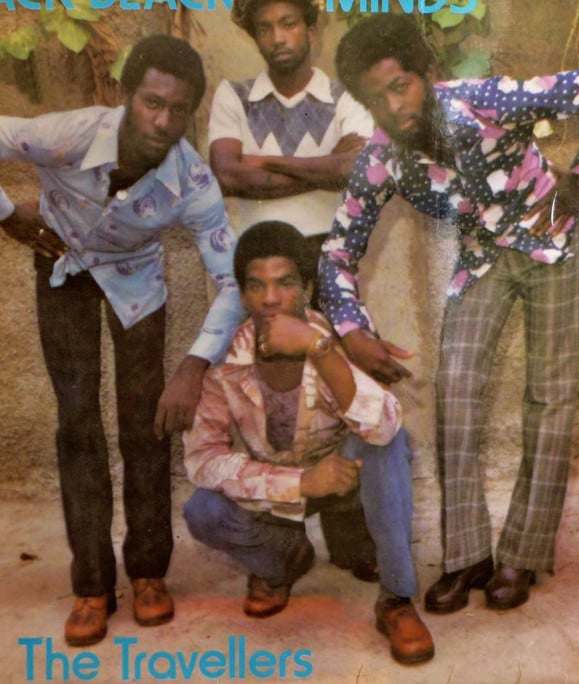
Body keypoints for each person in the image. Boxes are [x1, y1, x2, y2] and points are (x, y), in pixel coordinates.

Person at [320, 14, 579, 613]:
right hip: (481, 261)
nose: (394, 107)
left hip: (553, 241)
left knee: (549, 397)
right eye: (376, 98)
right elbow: (337, 250)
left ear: (427, 74)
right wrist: (352, 329)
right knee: (456, 389)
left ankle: (522, 555)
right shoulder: (381, 159)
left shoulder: (487, 100)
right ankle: (468, 557)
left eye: (401, 86)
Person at [0, 35, 244, 646]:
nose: (162, 121)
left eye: (178, 109)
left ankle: (148, 572)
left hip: (137, 281)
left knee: (146, 425)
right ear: (126, 94)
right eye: (151, 103)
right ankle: (91, 583)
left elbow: (232, 280)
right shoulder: (72, 133)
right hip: (63, 267)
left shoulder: (193, 180)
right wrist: (6, 216)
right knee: (77, 420)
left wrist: (194, 365)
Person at [183, 221, 434, 666]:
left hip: (346, 481)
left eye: (285, 283)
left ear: (307, 289)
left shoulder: (338, 338)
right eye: (256, 286)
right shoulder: (224, 364)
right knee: (202, 509)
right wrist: (300, 483)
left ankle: (396, 599)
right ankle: (282, 561)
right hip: (280, 495)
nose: (271, 299)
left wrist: (319, 349)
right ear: (243, 297)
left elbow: (383, 425)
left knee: (389, 442)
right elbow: (203, 460)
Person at [208, 0, 381, 580]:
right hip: (264, 268)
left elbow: (355, 170)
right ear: (254, 35)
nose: (278, 37)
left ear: (311, 26)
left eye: (289, 23)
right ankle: (282, 541)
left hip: (327, 261)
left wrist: (269, 164)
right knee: (270, 403)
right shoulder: (235, 96)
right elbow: (229, 174)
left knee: (338, 391)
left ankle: (348, 534)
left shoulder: (342, 96)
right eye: (265, 27)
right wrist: (317, 168)